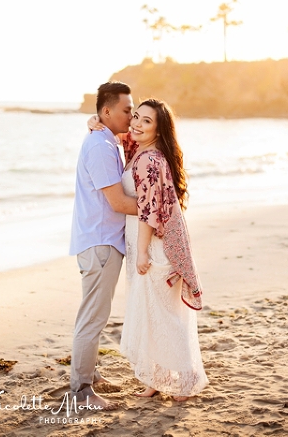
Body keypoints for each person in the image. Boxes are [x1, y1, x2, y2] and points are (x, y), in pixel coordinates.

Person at [115, 99, 208, 401]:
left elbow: (149, 212)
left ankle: (187, 379)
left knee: (165, 316)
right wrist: (94, 122)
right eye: (136, 118)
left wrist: (142, 252)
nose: (137, 125)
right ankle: (156, 378)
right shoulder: (139, 151)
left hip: (154, 247)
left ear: (158, 129)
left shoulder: (150, 160)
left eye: (146, 122)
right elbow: (118, 135)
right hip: (144, 242)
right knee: (149, 312)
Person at [69, 81, 138, 410]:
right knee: (93, 318)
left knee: (96, 314)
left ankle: (90, 375)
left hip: (104, 243)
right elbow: (118, 202)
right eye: (127, 110)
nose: (132, 115)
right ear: (107, 112)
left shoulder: (107, 140)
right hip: (99, 244)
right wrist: (162, 210)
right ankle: (82, 390)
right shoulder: (99, 145)